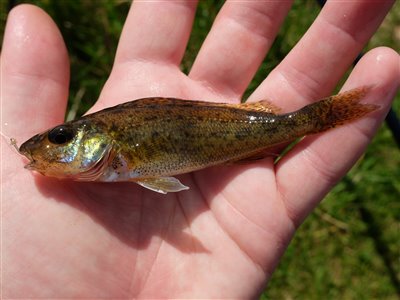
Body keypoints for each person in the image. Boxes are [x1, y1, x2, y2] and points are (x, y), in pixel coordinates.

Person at [1, 1, 398, 298]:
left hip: (241, 128)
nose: (51, 147)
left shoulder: (116, 151)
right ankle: (330, 112)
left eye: (61, 138)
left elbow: (159, 174)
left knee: (308, 116)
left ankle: (326, 115)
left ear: (94, 137)